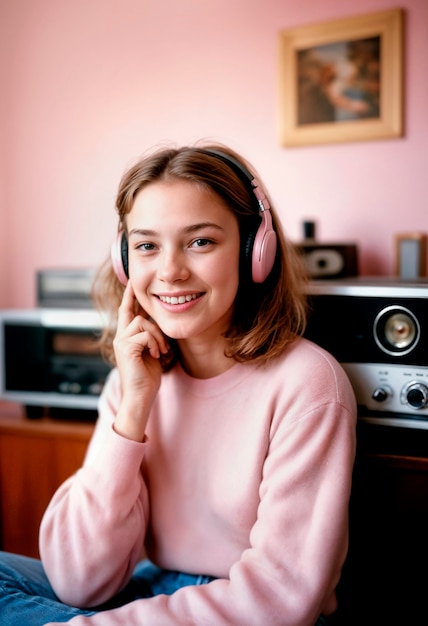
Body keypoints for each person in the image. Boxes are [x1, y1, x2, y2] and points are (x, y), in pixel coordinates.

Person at [0, 143, 357, 625]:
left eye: (200, 242)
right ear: (126, 261)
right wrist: (133, 409)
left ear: (257, 251)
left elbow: (279, 599)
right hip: (146, 587)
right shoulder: (133, 378)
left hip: (237, 606)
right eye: (147, 245)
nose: (169, 271)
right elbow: (79, 581)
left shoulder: (307, 383)